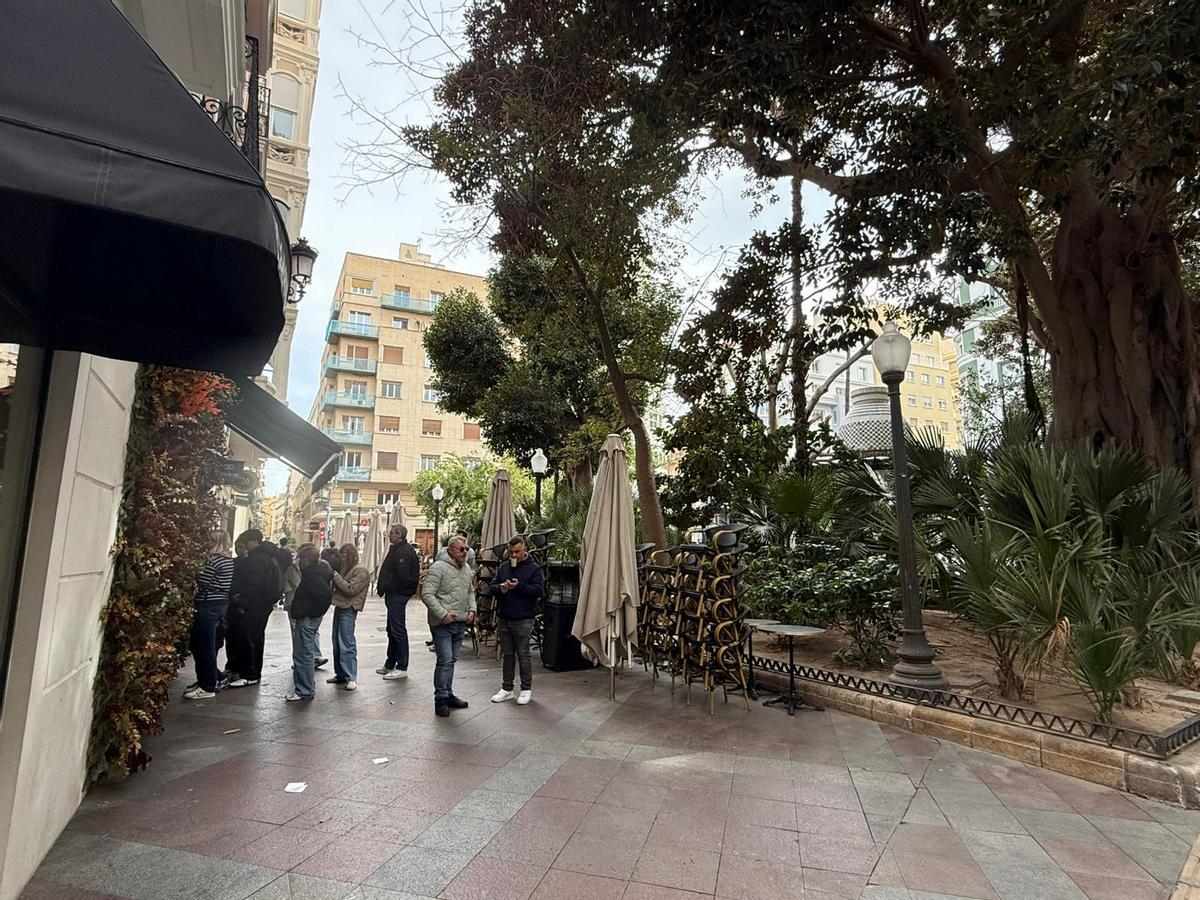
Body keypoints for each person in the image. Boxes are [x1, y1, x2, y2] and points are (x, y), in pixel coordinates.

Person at [421, 536, 475, 717]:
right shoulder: (438, 567)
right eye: (461, 549)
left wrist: (472, 609)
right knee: (444, 660)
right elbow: (427, 594)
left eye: (466, 549)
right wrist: (443, 614)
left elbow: (470, 591)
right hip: (442, 623)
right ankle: (440, 699)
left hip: (460, 622)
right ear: (451, 549)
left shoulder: (466, 568)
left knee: (451, 661)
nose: (465, 552)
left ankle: (448, 693)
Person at [224, 529, 283, 688]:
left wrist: (243, 604)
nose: (245, 547)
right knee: (257, 639)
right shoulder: (269, 557)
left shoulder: (256, 559)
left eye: (246, 543)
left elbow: (251, 585)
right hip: (263, 605)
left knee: (247, 638)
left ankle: (248, 674)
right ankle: (254, 672)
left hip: (254, 605)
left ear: (253, 541)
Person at [490, 535, 544, 706]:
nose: (514, 555)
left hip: (524, 618)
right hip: (505, 616)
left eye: (517, 552)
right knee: (508, 655)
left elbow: (538, 591)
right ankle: (507, 688)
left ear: (524, 549)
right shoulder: (503, 567)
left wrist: (519, 586)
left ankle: (526, 689)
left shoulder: (533, 569)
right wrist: (501, 588)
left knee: (523, 654)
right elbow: (492, 586)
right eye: (511, 551)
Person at [186, 530, 235, 700]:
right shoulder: (228, 560)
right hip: (219, 604)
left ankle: (207, 685)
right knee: (203, 644)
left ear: (219, 542)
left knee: (203, 645)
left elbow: (201, 581)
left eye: (211, 540)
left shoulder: (214, 561)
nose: (207, 542)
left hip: (208, 603)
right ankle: (213, 678)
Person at [287, 543, 333, 701]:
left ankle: (304, 690)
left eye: (300, 558)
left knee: (303, 655)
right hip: (309, 617)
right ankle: (304, 688)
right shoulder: (317, 574)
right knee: (304, 654)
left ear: (306, 560)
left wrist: (306, 612)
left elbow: (324, 595)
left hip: (306, 618)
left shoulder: (312, 576)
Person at [376, 524, 419, 679]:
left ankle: (402, 665)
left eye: (392, 533)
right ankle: (390, 662)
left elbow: (402, 576)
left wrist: (388, 586)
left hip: (398, 594)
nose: (389, 535)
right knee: (391, 629)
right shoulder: (397, 549)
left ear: (399, 535)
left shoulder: (403, 551)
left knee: (398, 629)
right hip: (394, 593)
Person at [328, 543, 369, 691]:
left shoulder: (360, 570)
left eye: (344, 556)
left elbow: (350, 589)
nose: (342, 559)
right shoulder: (348, 568)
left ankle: (351, 676)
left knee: (347, 642)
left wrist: (337, 578)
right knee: (336, 642)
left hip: (349, 608)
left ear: (351, 555)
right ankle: (341, 674)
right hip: (341, 606)